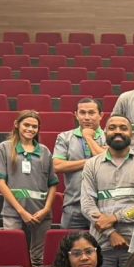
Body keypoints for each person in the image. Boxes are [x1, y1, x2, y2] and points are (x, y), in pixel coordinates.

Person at [80, 115, 134, 267]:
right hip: (101, 244)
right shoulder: (91, 165)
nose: (117, 131)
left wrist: (116, 217)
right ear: (105, 133)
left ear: (132, 134)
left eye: (123, 128)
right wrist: (111, 233)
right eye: (112, 128)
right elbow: (87, 205)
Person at [0, 110, 58, 267]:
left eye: (34, 126)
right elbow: (0, 183)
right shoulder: (4, 148)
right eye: (26, 125)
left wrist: (46, 209)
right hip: (14, 213)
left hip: (41, 214)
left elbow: (53, 184)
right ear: (17, 124)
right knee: (13, 255)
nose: (30, 129)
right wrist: (22, 211)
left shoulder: (44, 151)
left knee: (39, 259)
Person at [53, 97, 106, 230]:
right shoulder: (64, 137)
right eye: (82, 113)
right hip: (74, 204)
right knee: (69, 242)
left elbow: (110, 161)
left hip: (103, 205)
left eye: (91, 113)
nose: (86, 117)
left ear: (101, 115)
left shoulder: (109, 137)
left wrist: (87, 136)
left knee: (102, 243)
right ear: (76, 115)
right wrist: (90, 162)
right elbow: (57, 166)